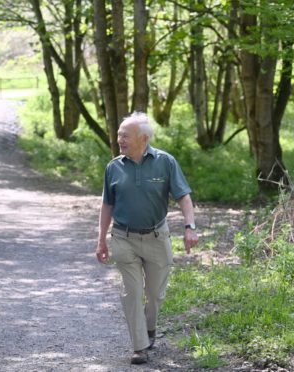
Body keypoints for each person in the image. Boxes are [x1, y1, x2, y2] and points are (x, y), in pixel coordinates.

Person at [95, 112, 198, 365]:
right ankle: (139, 346)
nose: (119, 139)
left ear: (143, 138)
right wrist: (101, 240)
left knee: (154, 294)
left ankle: (149, 328)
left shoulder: (165, 162)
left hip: (156, 236)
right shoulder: (114, 167)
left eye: (125, 135)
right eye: (118, 134)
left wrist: (190, 227)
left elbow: (183, 196)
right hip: (123, 237)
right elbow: (107, 205)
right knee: (131, 292)